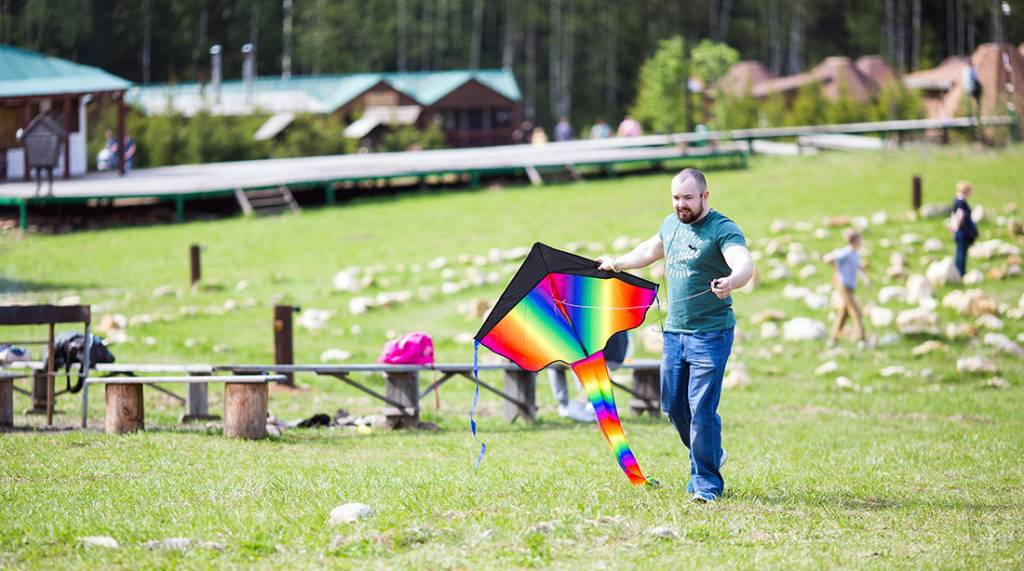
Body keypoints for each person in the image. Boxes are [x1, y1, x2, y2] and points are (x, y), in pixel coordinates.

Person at [596, 168, 753, 503]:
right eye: (676, 197)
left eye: (688, 198)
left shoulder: (721, 228)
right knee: (672, 406)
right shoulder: (671, 225)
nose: (681, 204)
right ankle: (712, 451)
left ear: (705, 196)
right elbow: (649, 249)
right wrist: (617, 264)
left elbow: (743, 262)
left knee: (700, 409)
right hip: (675, 334)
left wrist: (733, 280)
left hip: (710, 335)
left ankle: (706, 485)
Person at [548, 331, 631, 422]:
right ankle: (569, 405)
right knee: (557, 364)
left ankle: (581, 404)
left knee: (575, 361)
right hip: (612, 356)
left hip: (607, 358)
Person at [824, 229, 870, 348]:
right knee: (856, 312)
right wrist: (837, 270)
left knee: (844, 313)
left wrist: (865, 279)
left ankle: (833, 339)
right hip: (844, 286)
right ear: (855, 240)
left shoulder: (854, 254)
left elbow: (857, 268)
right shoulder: (846, 252)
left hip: (850, 286)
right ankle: (862, 339)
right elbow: (828, 258)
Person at [949, 180, 978, 277]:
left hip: (960, 231)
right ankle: (960, 272)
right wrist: (957, 226)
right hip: (962, 231)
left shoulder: (958, 201)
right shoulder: (961, 202)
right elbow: (959, 215)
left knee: (960, 251)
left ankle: (959, 271)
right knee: (961, 252)